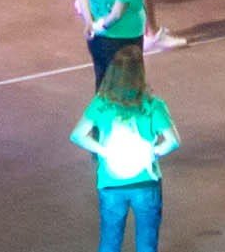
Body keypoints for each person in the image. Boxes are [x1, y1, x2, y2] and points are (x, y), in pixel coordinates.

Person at [71, 44, 178, 252]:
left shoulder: (101, 104)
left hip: (111, 182)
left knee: (110, 240)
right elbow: (173, 141)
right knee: (147, 241)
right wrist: (153, 152)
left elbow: (77, 135)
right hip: (145, 182)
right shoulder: (152, 105)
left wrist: (104, 151)